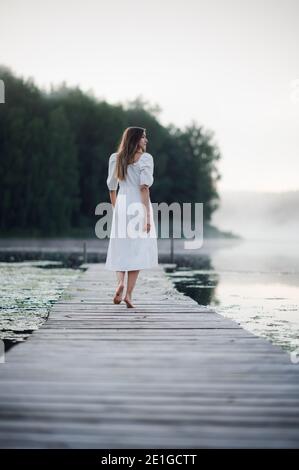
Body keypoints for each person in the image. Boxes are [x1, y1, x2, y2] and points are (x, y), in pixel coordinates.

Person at [104, 127, 159, 308]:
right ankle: (128, 294)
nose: (146, 140)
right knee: (137, 251)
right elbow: (144, 188)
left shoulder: (115, 158)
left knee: (121, 247)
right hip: (138, 205)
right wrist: (147, 216)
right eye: (143, 137)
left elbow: (112, 187)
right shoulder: (145, 159)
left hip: (122, 204)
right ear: (135, 140)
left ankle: (119, 283)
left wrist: (116, 208)